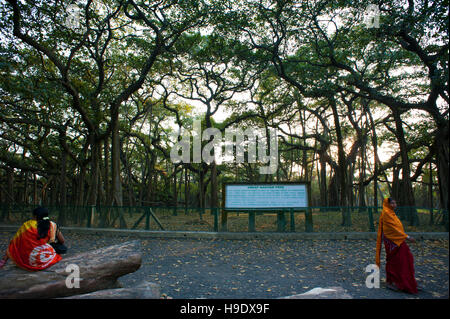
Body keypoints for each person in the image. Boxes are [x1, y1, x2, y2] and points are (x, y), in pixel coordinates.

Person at [0, 206, 67, 271]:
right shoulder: (52, 225)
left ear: (35, 216)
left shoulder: (27, 225)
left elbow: (14, 243)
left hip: (26, 260)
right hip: (43, 260)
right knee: (60, 247)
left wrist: (4, 259)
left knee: (16, 243)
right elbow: (62, 241)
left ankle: (2, 262)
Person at [376, 197, 418, 294]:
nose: (394, 205)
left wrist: (403, 236)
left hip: (397, 239)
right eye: (392, 203)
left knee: (406, 259)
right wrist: (407, 237)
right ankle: (392, 281)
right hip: (391, 241)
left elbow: (397, 227)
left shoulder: (391, 213)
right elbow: (392, 229)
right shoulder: (386, 213)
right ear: (387, 204)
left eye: (395, 203)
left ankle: (404, 281)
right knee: (395, 261)